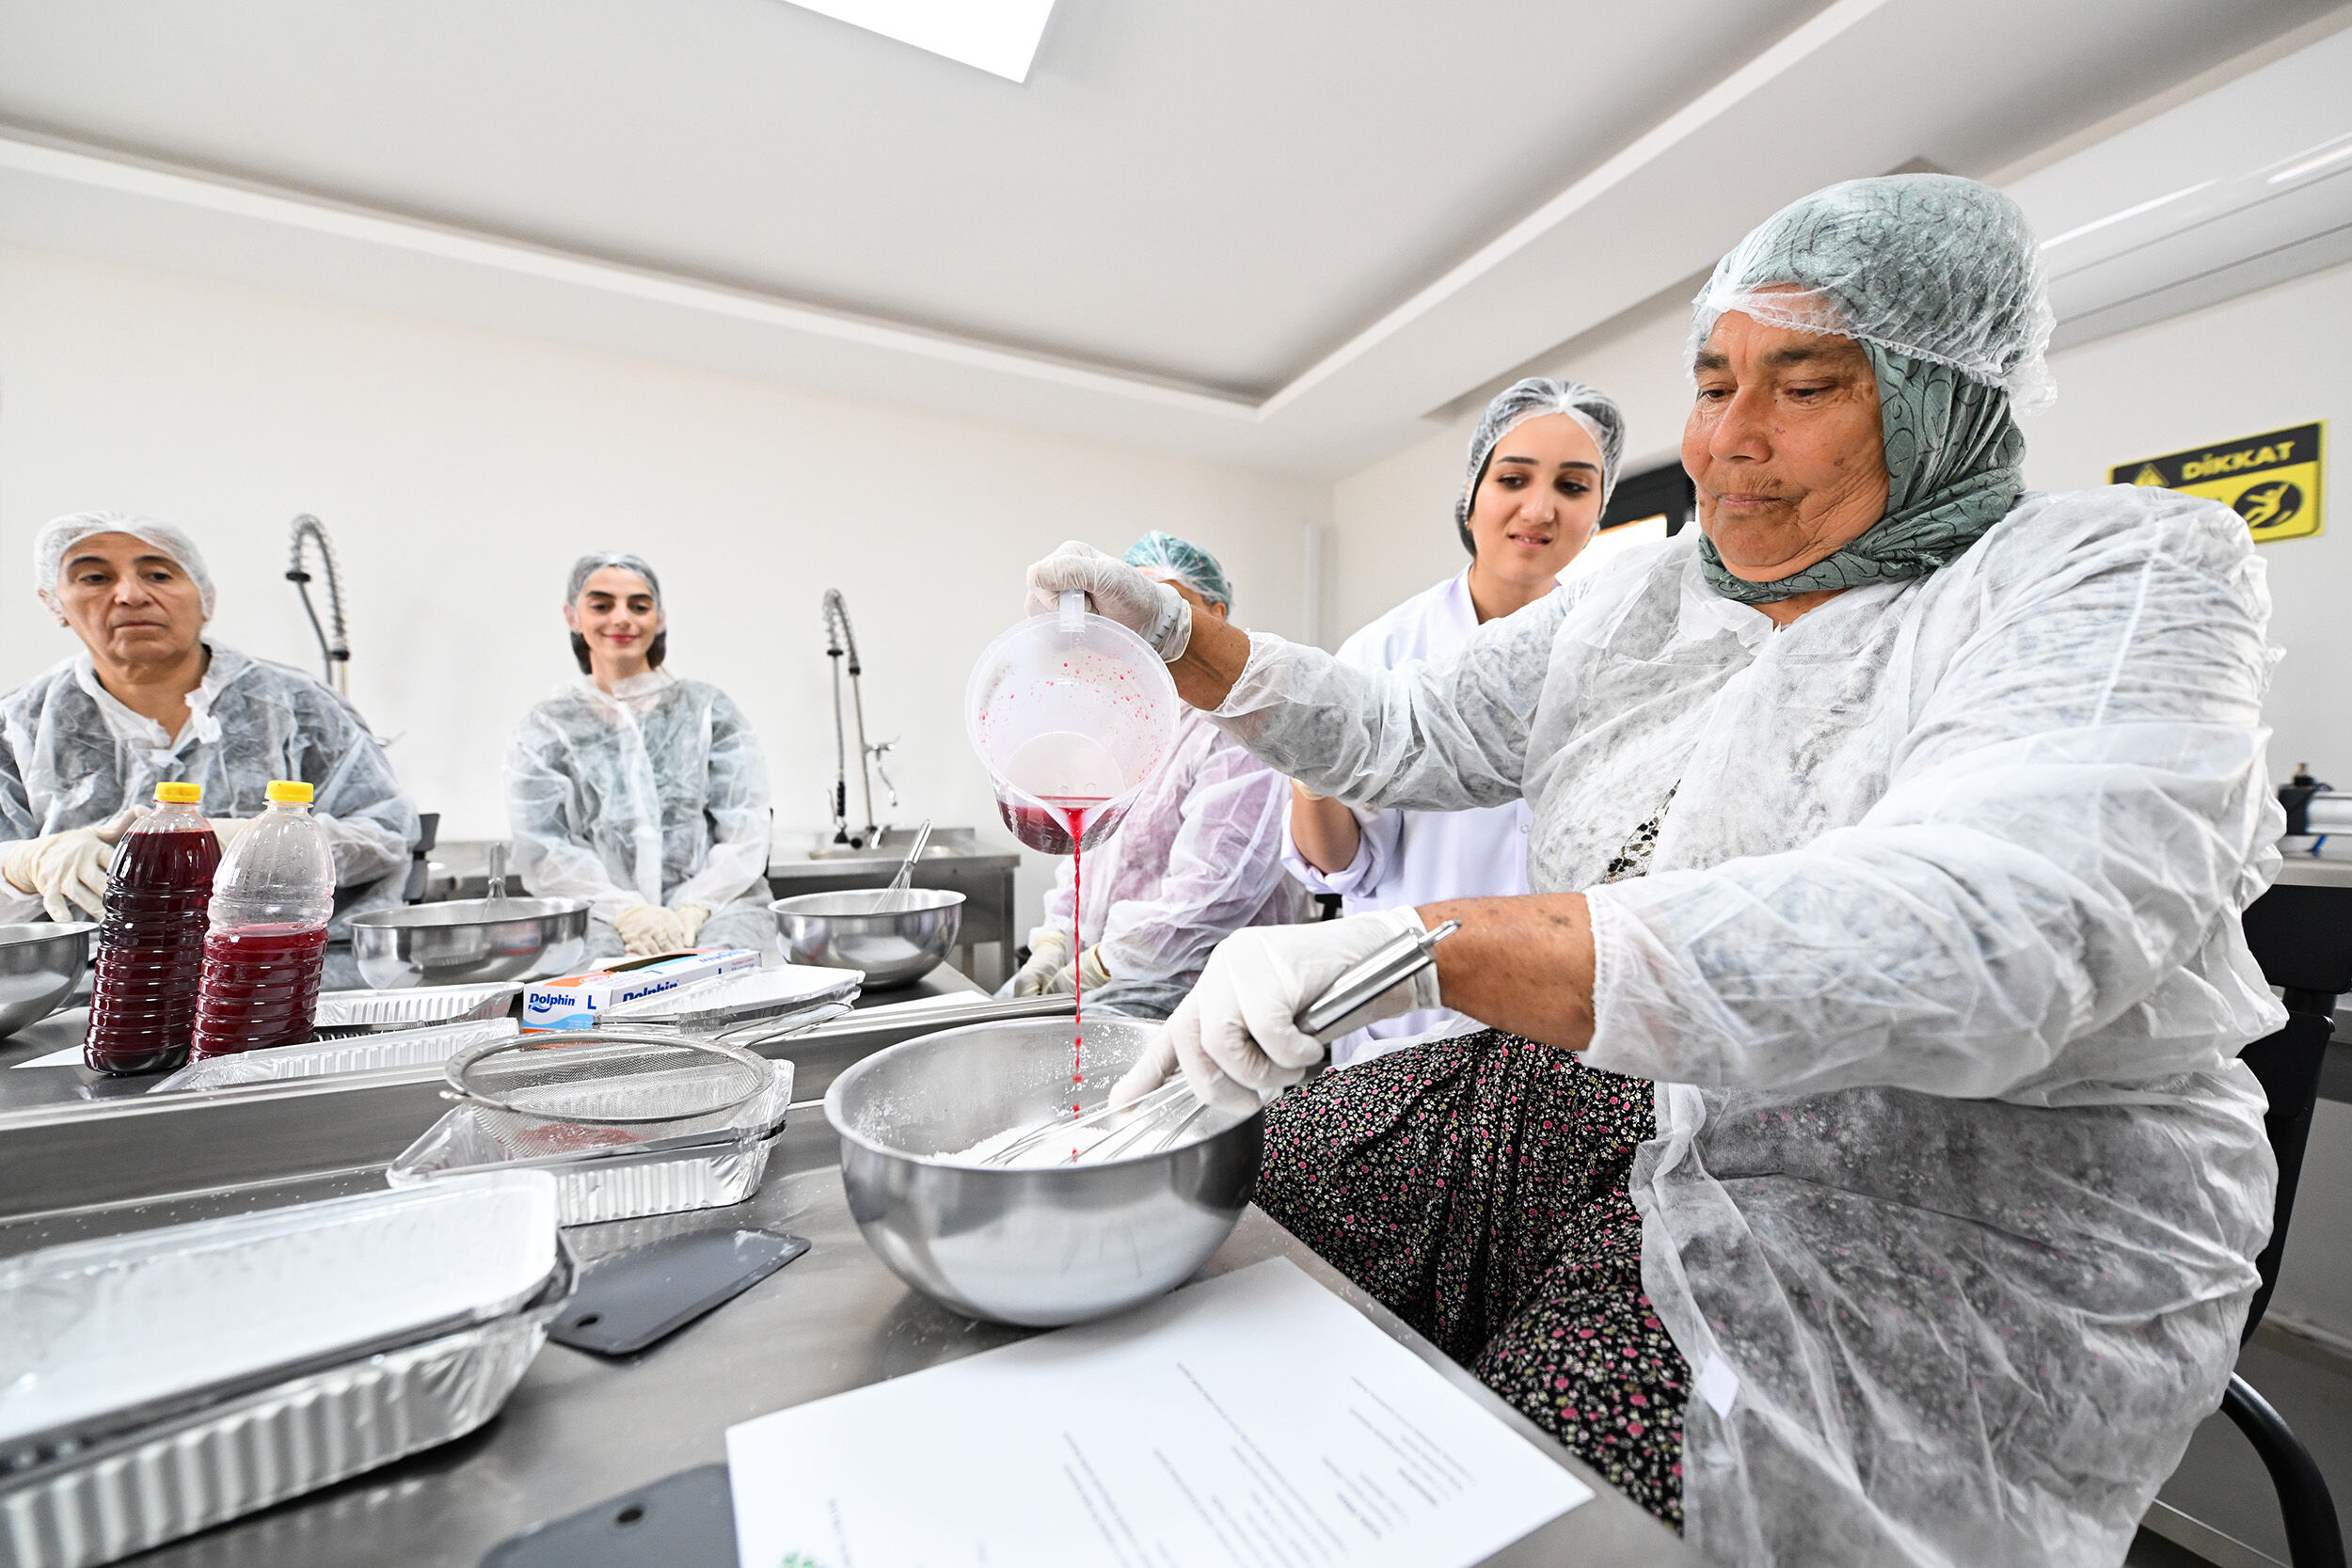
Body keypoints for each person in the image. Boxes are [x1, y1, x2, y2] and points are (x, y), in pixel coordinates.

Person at [1028, 175, 2280, 1566]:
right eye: (1712, 379)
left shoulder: (2116, 577)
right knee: (1209, 1196)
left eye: (1801, 383)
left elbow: (1990, 934)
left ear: (1940, 403)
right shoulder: (1652, 601)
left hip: (1909, 1211)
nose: (1729, 440)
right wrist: (1184, 632)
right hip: (1604, 1105)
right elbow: (1403, 726)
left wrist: (1417, 942)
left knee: (1513, 1505)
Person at [1285, 378, 1623, 1064]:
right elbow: (1340, 863)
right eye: (1514, 477)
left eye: (1573, 486)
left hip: (1559, 1024)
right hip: (1409, 1019)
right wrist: (1308, 768)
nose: (1539, 507)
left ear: (1599, 510)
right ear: (1472, 494)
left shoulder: (1615, 653)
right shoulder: (1382, 654)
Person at [0, 514, 420, 951]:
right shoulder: (16, 726)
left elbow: (385, 833)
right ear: (53, 602)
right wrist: (26, 863)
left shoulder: (297, 706)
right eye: (95, 577)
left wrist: (262, 844)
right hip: (88, 992)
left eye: (158, 574)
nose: (130, 595)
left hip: (282, 979)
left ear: (205, 598)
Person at [1002, 532, 1307, 1020]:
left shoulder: (1235, 734)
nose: (1143, 631)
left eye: (1164, 607)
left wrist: (1097, 967)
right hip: (1116, 977)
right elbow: (1088, 853)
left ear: (1215, 615)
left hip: (1201, 990)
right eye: (1130, 615)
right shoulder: (1125, 725)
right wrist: (1054, 941)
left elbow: (1217, 893)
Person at [506, 552, 775, 960]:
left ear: (660, 618)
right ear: (572, 616)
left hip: (721, 909)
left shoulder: (708, 710)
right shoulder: (546, 727)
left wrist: (694, 907)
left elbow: (745, 827)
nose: (622, 619)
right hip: (599, 917)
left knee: (728, 986)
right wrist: (627, 912)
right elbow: (545, 848)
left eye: (639, 606)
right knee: (597, 994)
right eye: (601, 605)